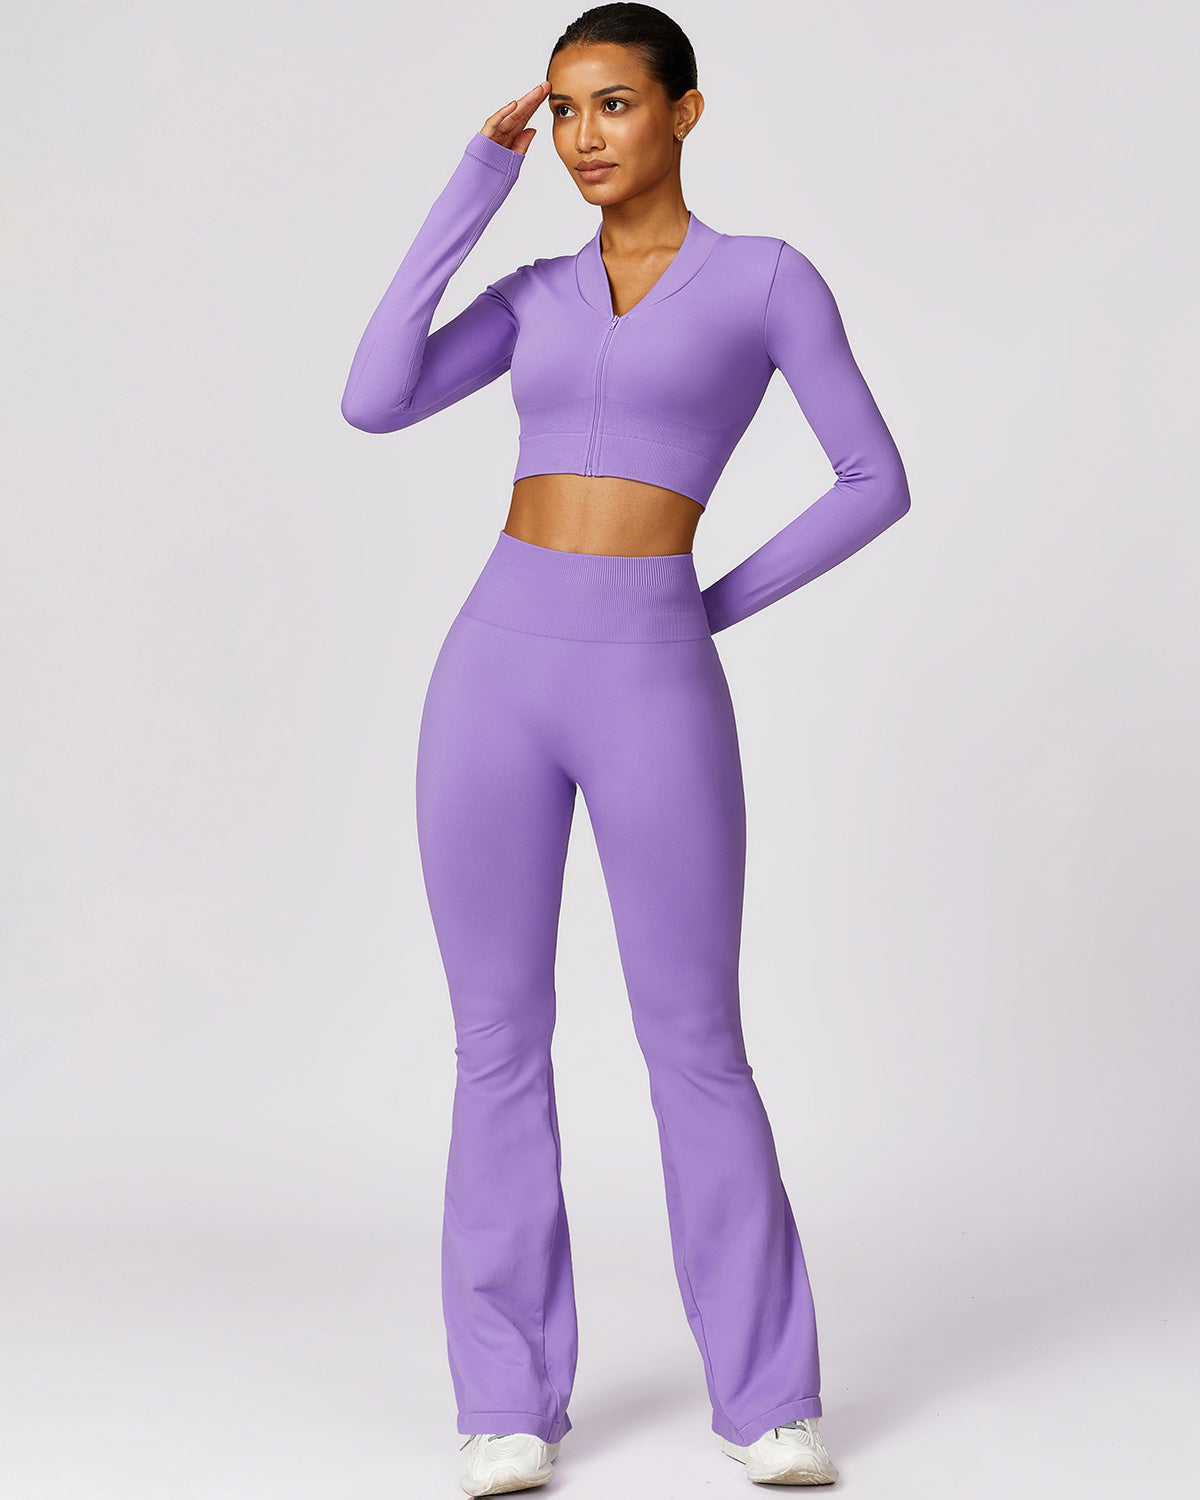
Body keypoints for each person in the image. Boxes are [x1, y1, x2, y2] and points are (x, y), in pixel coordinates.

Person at [340, 5, 910, 1493]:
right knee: (495, 1046)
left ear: (684, 111)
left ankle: (770, 1399)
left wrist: (701, 610)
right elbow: (374, 397)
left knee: (696, 1042)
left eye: (612, 103)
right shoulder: (532, 293)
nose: (583, 136)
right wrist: (474, 181)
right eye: (561, 111)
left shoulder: (766, 279)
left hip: (652, 679)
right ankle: (506, 1402)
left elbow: (874, 479)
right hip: (492, 673)